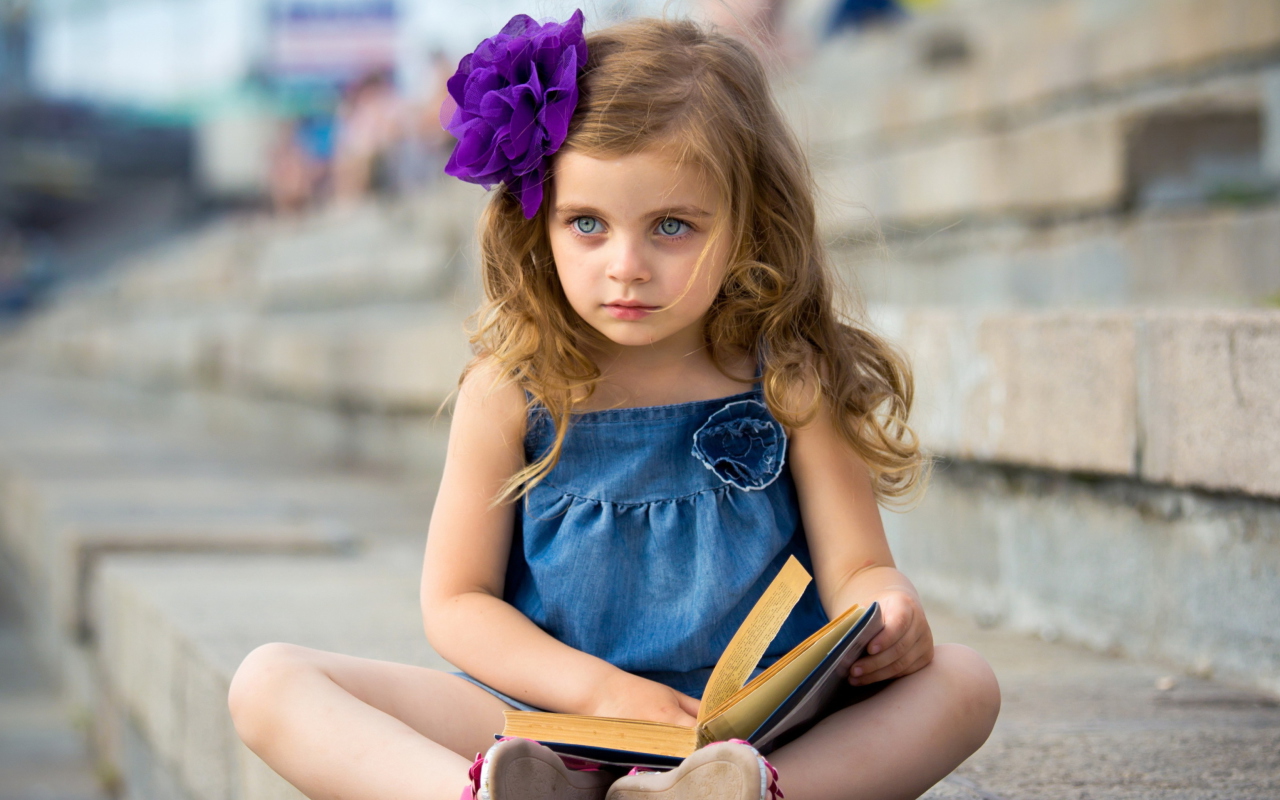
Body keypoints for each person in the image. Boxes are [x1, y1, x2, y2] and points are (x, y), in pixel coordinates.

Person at [227, 12, 1000, 800]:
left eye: (672, 226)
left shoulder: (789, 380)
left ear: (745, 224)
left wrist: (891, 610)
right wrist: (602, 695)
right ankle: (482, 794)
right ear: (542, 219)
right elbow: (457, 603)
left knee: (965, 683)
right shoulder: (509, 392)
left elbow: (859, 568)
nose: (626, 267)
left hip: (744, 732)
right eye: (587, 224)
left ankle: (743, 793)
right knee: (269, 681)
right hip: (549, 721)